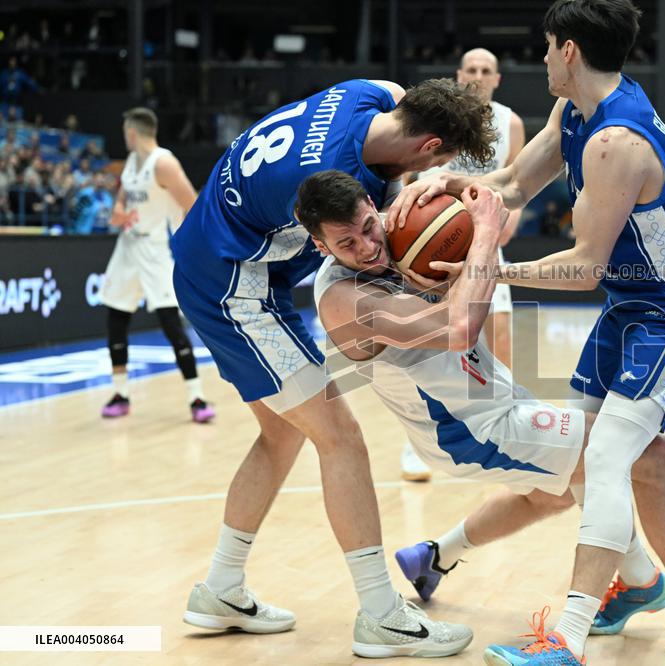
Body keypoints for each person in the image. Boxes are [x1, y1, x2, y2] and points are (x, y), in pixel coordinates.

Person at [387, 0, 665, 660]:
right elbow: (511, 184)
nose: (541, 59)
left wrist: (487, 268)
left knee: (603, 458)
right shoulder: (576, 112)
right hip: (631, 303)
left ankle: (567, 641)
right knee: (598, 458)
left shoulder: (614, 143)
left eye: (546, 48)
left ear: (569, 51)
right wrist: (451, 188)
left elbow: (582, 268)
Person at [170, 78, 496, 657]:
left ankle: (221, 587)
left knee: (282, 435)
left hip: (228, 260)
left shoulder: (367, 95)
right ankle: (380, 615)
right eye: (440, 160)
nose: (436, 173)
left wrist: (410, 185)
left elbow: (391, 91)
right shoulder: (321, 184)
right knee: (341, 438)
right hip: (231, 286)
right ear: (429, 146)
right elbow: (365, 252)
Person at [299, 167, 665, 649]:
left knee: (556, 492)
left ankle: (435, 556)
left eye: (368, 229)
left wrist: (443, 184)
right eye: (347, 243)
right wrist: (484, 229)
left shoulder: (397, 230)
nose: (368, 247)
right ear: (321, 247)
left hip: (491, 399)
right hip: (468, 429)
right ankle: (637, 587)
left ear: (374, 210)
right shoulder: (344, 300)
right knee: (634, 452)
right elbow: (458, 328)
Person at [400, 47, 527, 482]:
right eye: (470, 69)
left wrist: (508, 223)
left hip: (484, 241)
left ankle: (500, 431)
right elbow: (407, 174)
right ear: (459, 76)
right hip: (431, 243)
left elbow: (518, 184)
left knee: (501, 339)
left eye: (485, 70)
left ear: (497, 79)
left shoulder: (510, 123)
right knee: (431, 341)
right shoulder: (439, 118)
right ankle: (418, 441)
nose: (477, 75)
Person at [98, 107, 214, 422]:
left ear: (132, 133)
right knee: (116, 318)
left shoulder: (163, 163)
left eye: (125, 133)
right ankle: (120, 393)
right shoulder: (132, 163)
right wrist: (119, 211)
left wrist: (194, 249)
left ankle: (197, 398)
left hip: (156, 248)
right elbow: (121, 199)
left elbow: (192, 203)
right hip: (127, 247)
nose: (124, 137)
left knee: (170, 323)